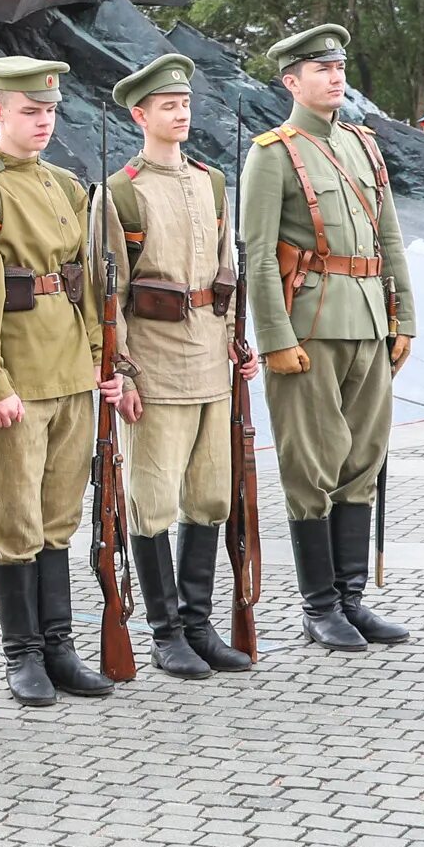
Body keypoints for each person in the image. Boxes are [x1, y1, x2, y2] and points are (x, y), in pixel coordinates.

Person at [0, 61, 121, 708]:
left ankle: (59, 647)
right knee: (15, 520)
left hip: (70, 368)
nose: (42, 122)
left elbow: (88, 283)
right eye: (28, 111)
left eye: (48, 112)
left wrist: (103, 361)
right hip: (17, 375)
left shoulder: (66, 184)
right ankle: (21, 655)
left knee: (58, 520)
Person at [242, 26, 415, 654]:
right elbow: (258, 256)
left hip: (369, 319)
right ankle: (319, 608)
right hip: (310, 328)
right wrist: (274, 336)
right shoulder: (273, 154)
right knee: (311, 465)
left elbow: (390, 238)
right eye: (321, 69)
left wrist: (406, 317)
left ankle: (350, 599)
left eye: (340, 67)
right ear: (292, 82)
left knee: (362, 459)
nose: (336, 77)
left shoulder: (363, 145)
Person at [106, 56, 256, 678]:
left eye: (186, 102)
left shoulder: (212, 182)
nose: (181, 112)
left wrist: (235, 345)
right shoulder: (122, 192)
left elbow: (225, 272)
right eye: (167, 105)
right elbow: (108, 291)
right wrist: (124, 372)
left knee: (210, 496)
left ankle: (199, 624)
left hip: (209, 363)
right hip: (156, 362)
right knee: (153, 501)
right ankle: (165, 632)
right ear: (141, 115)